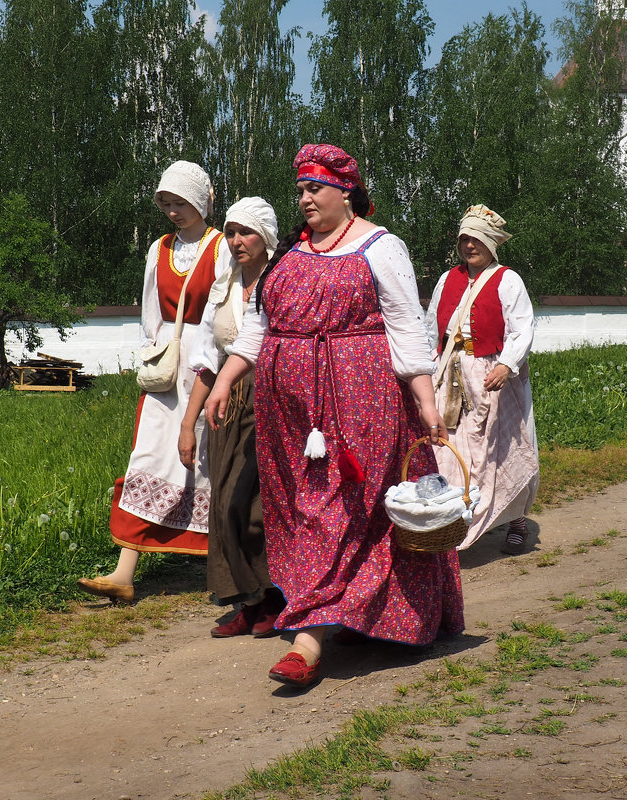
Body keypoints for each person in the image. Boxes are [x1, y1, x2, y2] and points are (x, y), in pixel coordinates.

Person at [205, 144, 464, 688]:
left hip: (361, 402)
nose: (304, 199)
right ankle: (349, 611)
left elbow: (406, 325)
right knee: (308, 511)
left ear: (345, 192)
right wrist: (225, 381)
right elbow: (260, 326)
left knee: (339, 510)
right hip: (292, 416)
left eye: (313, 188)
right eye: (299, 189)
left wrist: (424, 399)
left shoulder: (380, 247)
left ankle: (307, 642)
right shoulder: (292, 255)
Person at [77, 161, 222, 603]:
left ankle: (228, 569)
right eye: (166, 204)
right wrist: (155, 356)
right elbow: (149, 315)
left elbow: (227, 317)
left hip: (210, 362)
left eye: (181, 202)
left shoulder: (222, 247)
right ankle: (124, 573)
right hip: (168, 367)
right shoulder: (159, 249)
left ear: (201, 201)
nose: (173, 211)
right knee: (149, 459)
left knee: (214, 464)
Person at [179, 197, 285, 637]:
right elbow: (207, 361)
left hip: (279, 403)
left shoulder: (285, 280)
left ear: (268, 238)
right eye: (232, 232)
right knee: (226, 505)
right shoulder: (222, 288)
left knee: (264, 508)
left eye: (248, 232)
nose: (238, 241)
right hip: (230, 405)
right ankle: (252, 597)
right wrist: (189, 424)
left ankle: (279, 595)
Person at [425, 205, 539, 555]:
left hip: (492, 375)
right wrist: (427, 365)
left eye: (476, 239)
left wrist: (506, 366)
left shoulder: (508, 279)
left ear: (491, 242)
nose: (469, 245)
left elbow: (522, 328)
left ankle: (516, 519)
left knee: (500, 447)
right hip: (450, 373)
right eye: (464, 239)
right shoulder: (448, 279)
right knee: (451, 448)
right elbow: (432, 327)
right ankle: (455, 520)